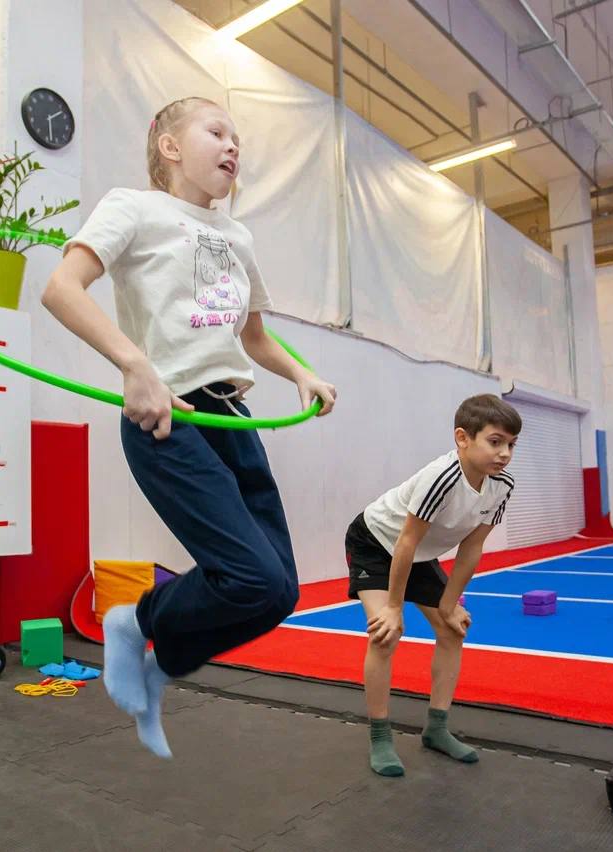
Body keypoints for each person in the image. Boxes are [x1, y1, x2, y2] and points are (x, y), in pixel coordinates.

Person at [42, 96, 337, 759]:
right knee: (251, 576)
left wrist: (302, 374)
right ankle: (134, 620)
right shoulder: (134, 207)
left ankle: (157, 669)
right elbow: (61, 288)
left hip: (231, 417)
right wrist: (134, 365)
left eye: (238, 139)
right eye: (217, 132)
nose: (234, 146)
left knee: (278, 592)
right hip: (166, 416)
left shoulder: (239, 237)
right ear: (171, 146)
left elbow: (252, 337)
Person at [343, 394, 520, 776]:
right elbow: (405, 541)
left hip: (418, 553)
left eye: (511, 444)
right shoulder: (442, 477)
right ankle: (380, 737)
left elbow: (472, 547)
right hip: (375, 543)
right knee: (385, 634)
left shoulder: (502, 485)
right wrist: (394, 607)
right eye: (495, 441)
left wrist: (448, 604)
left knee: (452, 630)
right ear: (463, 438)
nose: (505, 453)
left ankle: (436, 729)